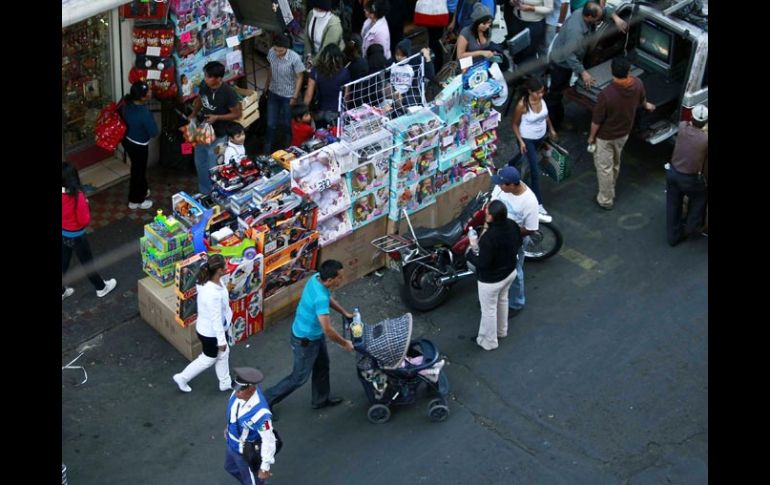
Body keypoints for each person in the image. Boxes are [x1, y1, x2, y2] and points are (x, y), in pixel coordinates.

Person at [262, 260, 354, 414]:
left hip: (313, 336)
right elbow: (328, 329)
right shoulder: (320, 297)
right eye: (339, 278)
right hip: (305, 341)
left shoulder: (317, 278)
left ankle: (320, 399)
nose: (341, 279)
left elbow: (328, 298)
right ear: (330, 280)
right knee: (298, 378)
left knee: (322, 366)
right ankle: (266, 399)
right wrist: (345, 343)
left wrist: (344, 312)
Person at [587, 56, 655, 210]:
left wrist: (591, 137)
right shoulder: (637, 84)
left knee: (604, 167)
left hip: (605, 136)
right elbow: (642, 100)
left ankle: (606, 200)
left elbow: (596, 121)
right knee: (615, 163)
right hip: (624, 133)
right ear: (629, 71)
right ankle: (610, 188)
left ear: (612, 71)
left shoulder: (606, 94)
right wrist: (647, 106)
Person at [546, 2, 628, 130]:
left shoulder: (584, 13)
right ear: (589, 17)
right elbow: (570, 56)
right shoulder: (576, 32)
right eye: (598, 19)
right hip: (561, 63)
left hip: (574, 56)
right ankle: (555, 123)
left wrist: (616, 18)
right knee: (555, 94)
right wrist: (583, 73)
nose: (600, 20)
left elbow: (605, 11)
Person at [466, 200, 522, 351]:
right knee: (503, 300)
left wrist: (470, 254)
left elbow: (482, 262)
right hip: (510, 272)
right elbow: (519, 242)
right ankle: (501, 331)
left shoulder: (490, 237)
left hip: (491, 281)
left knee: (488, 311)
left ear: (490, 217)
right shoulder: (512, 225)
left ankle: (488, 341)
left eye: (487, 212)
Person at [173, 254, 233, 393]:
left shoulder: (209, 281)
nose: (227, 266)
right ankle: (182, 377)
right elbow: (216, 320)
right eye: (225, 265)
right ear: (219, 270)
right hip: (211, 333)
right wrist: (221, 341)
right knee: (208, 359)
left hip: (207, 329)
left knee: (223, 354)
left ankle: (225, 382)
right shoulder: (213, 294)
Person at [62, 162, 117, 301]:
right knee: (87, 264)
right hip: (77, 236)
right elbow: (84, 220)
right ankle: (101, 287)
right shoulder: (77, 196)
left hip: (63, 233)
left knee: (63, 261)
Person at [490, 166, 539, 314]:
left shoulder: (529, 201)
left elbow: (531, 229)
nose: (498, 186)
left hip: (513, 239)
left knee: (515, 270)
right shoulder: (500, 189)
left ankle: (516, 303)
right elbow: (492, 203)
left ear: (512, 185)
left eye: (501, 184)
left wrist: (510, 233)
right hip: (496, 234)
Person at [188, 61, 242, 194]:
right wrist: (193, 115)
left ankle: (215, 193)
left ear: (218, 78)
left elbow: (237, 114)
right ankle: (204, 191)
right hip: (202, 129)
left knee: (214, 165)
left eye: (208, 76)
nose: (205, 79)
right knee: (199, 161)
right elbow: (200, 99)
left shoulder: (228, 93)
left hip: (219, 134)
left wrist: (217, 117)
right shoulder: (204, 85)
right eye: (205, 75)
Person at [510, 76, 558, 216]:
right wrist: (521, 141)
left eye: (542, 92)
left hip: (540, 136)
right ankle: (538, 204)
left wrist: (552, 129)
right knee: (534, 171)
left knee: (523, 155)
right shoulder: (522, 105)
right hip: (527, 138)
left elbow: (546, 116)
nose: (540, 95)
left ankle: (510, 164)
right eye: (537, 92)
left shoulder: (541, 100)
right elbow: (514, 124)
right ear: (530, 91)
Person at [224, 367, 280, 485]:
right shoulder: (239, 392)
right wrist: (229, 427)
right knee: (230, 467)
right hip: (232, 443)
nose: (236, 392)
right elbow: (234, 412)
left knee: (253, 482)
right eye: (236, 388)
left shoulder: (260, 414)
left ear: (252, 388)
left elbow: (268, 440)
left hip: (244, 452)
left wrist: (264, 468)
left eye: (240, 390)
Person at [666, 104, 708, 246]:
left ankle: (673, 236)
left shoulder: (683, 127)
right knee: (700, 198)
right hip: (690, 179)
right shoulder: (705, 139)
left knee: (673, 204)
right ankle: (691, 227)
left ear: (691, 118)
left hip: (673, 173)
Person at [120, 80, 158, 210]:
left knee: (138, 169)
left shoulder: (127, 105)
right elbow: (154, 132)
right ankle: (136, 200)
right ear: (143, 97)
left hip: (128, 141)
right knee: (138, 172)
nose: (150, 91)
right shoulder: (144, 113)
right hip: (139, 145)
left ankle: (144, 189)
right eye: (148, 91)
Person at [265, 34, 305, 154]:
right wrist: (266, 85)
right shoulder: (271, 52)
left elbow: (300, 77)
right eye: (276, 49)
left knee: (288, 124)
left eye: (280, 50)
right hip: (273, 92)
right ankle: (267, 149)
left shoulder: (295, 58)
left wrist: (295, 96)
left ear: (287, 48)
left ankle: (288, 149)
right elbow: (270, 69)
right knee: (270, 123)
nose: (277, 53)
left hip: (288, 95)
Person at [303, 44, 351, 128]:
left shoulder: (315, 71)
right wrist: (346, 111)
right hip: (337, 111)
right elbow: (346, 97)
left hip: (319, 111)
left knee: (321, 136)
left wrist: (303, 112)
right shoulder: (345, 73)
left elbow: (308, 95)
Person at [456, 3, 506, 69]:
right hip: (468, 65)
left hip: (484, 63)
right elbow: (460, 55)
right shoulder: (466, 32)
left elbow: (486, 47)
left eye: (489, 23)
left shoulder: (488, 30)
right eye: (484, 23)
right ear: (476, 22)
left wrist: (492, 53)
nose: (487, 26)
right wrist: (481, 53)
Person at [504, 0, 554, 66]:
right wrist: (513, 2)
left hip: (534, 23)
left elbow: (549, 9)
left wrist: (532, 8)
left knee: (529, 52)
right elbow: (511, 2)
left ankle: (529, 73)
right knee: (516, 50)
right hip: (516, 20)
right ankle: (517, 70)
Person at [390, 38, 435, 107]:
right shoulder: (392, 63)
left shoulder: (414, 62)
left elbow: (430, 74)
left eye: (402, 55)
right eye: (397, 54)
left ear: (407, 54)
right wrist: (392, 92)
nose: (399, 57)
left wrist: (428, 58)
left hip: (410, 95)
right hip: (394, 93)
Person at [306, 0, 345, 65]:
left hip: (328, 59)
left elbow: (326, 49)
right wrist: (308, 55)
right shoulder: (311, 14)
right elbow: (306, 37)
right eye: (316, 8)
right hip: (313, 55)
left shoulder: (334, 24)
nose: (317, 11)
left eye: (320, 9)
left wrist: (312, 63)